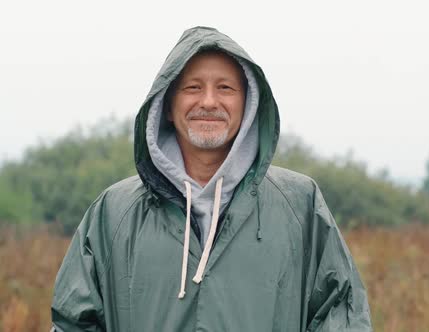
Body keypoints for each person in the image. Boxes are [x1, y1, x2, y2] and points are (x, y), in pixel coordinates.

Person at [51, 26, 372, 332]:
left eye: (225, 88)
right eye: (192, 87)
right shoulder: (114, 212)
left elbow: (340, 312)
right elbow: (74, 321)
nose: (208, 101)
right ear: (166, 105)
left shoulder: (299, 204)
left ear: (249, 103)